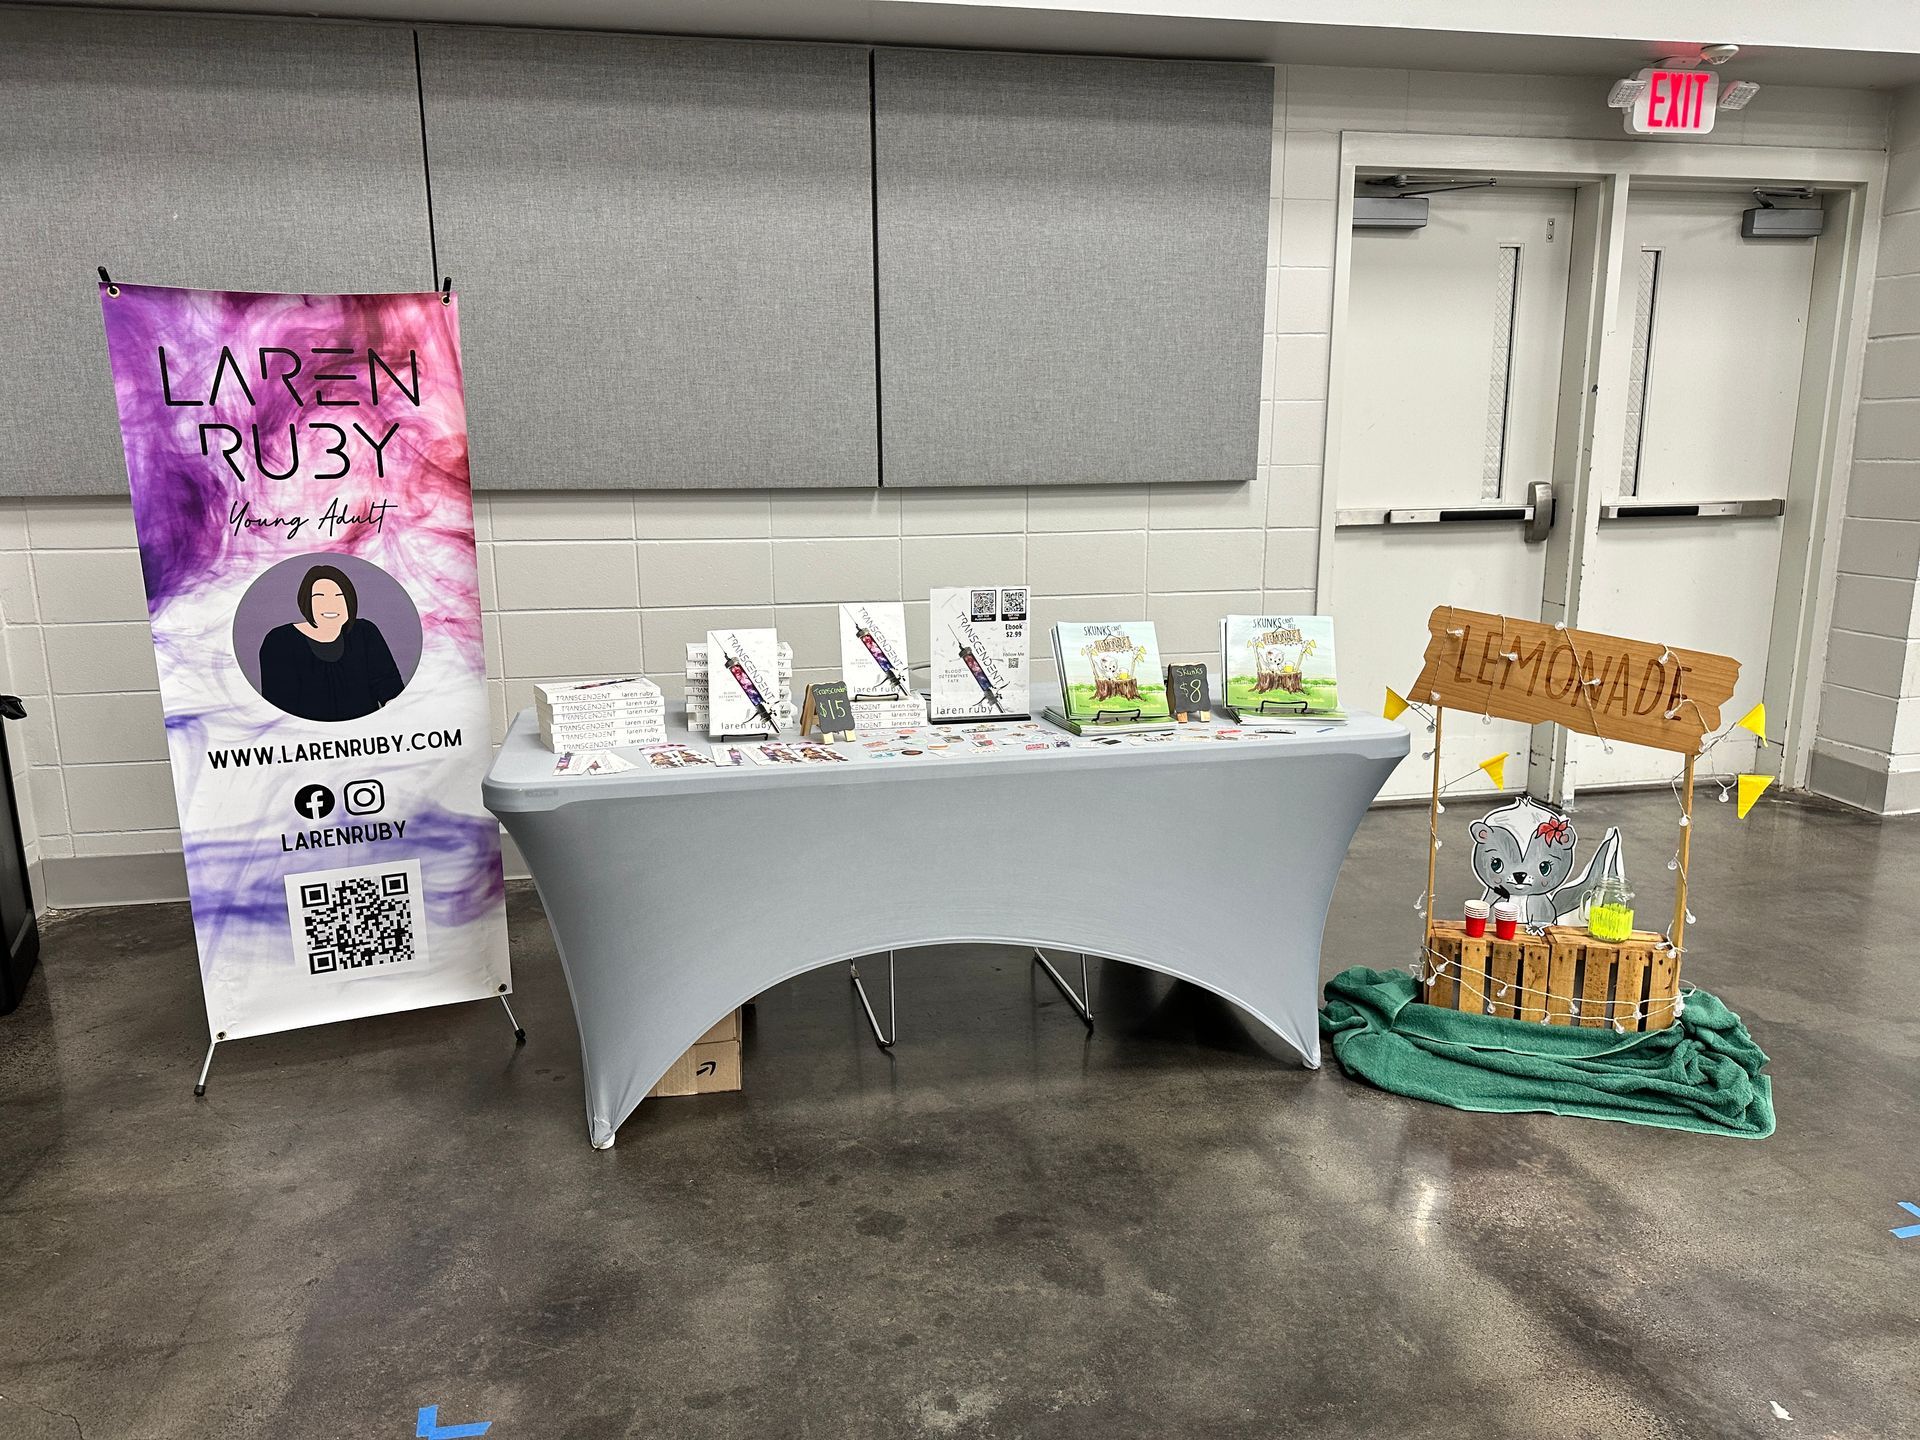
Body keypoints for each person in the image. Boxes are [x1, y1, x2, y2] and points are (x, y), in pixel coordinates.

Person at [257, 565, 405, 723]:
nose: (330, 605)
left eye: (338, 596)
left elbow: (390, 691)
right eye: (319, 597)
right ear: (306, 601)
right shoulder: (280, 642)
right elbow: (280, 711)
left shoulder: (365, 632)